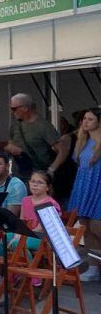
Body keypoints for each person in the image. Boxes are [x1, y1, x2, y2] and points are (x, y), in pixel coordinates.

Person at [6, 93, 69, 181]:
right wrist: (10, 148)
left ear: (25, 108)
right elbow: (10, 143)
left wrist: (51, 170)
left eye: (14, 108)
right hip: (18, 175)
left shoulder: (44, 126)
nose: (12, 112)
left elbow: (63, 150)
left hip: (38, 175)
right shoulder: (15, 124)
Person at [68, 108, 101, 270]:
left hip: (98, 188)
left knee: (97, 227)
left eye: (90, 119)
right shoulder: (83, 141)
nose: (85, 122)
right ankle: (94, 267)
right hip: (84, 187)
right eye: (84, 119)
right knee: (85, 228)